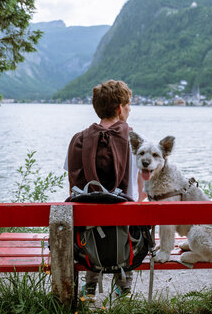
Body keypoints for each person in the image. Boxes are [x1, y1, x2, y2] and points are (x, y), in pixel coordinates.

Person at [64, 80, 145, 301]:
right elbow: (143, 189)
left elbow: (73, 187)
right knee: (129, 217)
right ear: (120, 108)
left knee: (93, 221)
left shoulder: (79, 139)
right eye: (129, 105)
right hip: (126, 235)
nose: (130, 109)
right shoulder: (135, 141)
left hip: (86, 237)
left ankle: (90, 288)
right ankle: (125, 288)